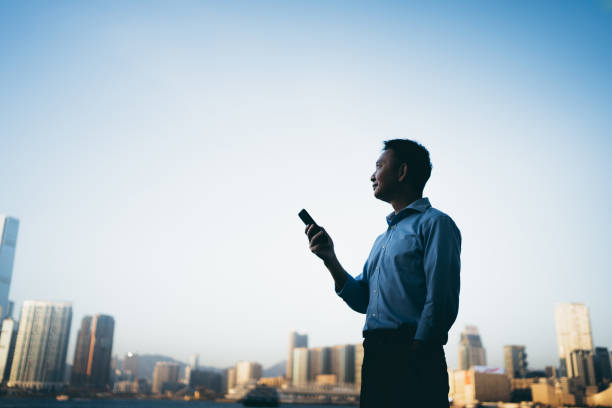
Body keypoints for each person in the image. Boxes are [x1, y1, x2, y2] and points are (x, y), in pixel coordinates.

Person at [305, 139, 461, 407]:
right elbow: (362, 300)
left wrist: (417, 351)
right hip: (376, 355)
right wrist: (330, 258)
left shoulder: (436, 223)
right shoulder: (382, 240)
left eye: (379, 166)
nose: (371, 176)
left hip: (413, 353)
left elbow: (441, 299)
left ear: (401, 172)